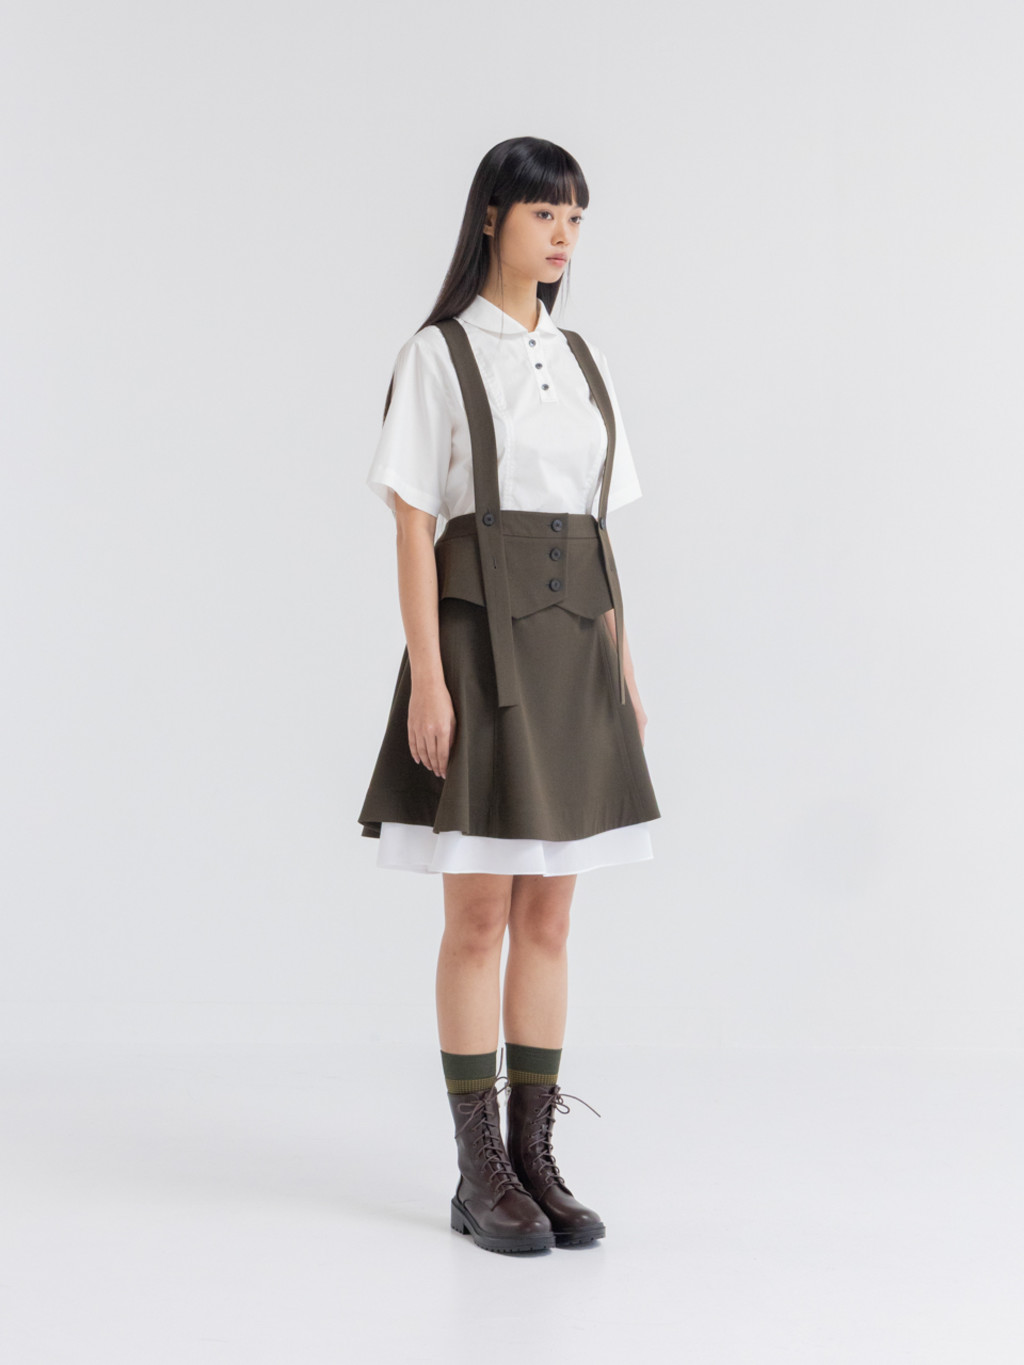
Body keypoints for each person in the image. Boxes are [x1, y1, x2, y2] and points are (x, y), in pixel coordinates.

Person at [357, 136, 661, 1254]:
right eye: (545, 214)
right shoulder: (437, 354)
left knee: (552, 913)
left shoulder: (584, 359)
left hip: (576, 649)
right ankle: (477, 1168)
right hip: (478, 645)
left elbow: (598, 531)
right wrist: (427, 679)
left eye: (576, 217)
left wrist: (625, 669)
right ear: (492, 217)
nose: (564, 235)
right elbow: (412, 525)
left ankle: (534, 1156)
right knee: (478, 910)